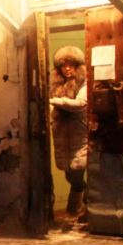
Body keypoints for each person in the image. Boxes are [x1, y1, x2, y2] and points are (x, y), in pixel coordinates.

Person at [48, 45, 89, 224]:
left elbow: (80, 103)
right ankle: (77, 210)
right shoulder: (56, 85)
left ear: (77, 66)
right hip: (62, 135)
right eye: (63, 65)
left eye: (71, 64)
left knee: (78, 172)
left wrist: (53, 101)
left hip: (80, 134)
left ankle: (80, 209)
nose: (67, 68)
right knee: (69, 173)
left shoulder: (84, 82)